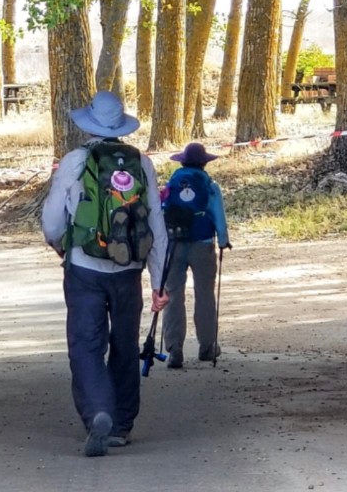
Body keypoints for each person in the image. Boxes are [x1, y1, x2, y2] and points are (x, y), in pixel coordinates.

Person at [40, 90, 168, 456]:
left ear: (89, 123)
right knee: (124, 344)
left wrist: (58, 243)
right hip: (129, 268)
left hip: (84, 267)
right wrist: (159, 282)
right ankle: (123, 425)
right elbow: (155, 225)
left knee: (86, 344)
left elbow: (52, 219)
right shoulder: (141, 163)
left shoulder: (76, 160)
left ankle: (98, 411)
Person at [157, 141, 230, 367]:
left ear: (183, 162)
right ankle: (207, 346)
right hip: (202, 244)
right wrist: (224, 240)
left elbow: (162, 211)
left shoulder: (172, 184)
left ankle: (174, 349)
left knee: (172, 294)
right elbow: (218, 214)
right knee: (205, 295)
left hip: (174, 244)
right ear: (204, 163)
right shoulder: (209, 185)